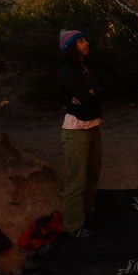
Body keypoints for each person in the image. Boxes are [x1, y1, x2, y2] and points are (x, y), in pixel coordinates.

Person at [57, 29, 104, 237]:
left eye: (85, 39)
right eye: (81, 41)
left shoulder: (86, 68)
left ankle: (88, 212)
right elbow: (85, 97)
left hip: (94, 124)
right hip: (76, 130)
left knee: (92, 174)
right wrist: (90, 93)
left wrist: (90, 93)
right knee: (77, 179)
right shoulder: (67, 72)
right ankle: (74, 226)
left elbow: (102, 91)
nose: (86, 43)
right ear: (71, 47)